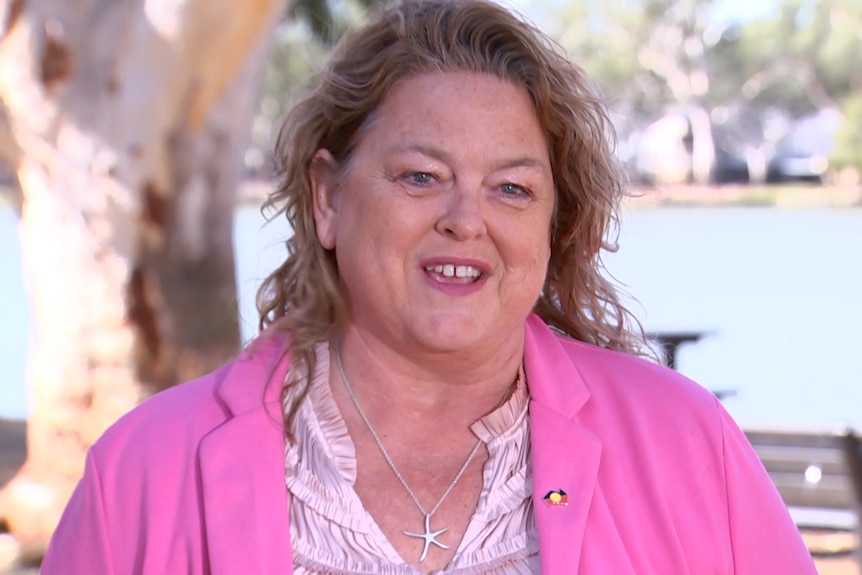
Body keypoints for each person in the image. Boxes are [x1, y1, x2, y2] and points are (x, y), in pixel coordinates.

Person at [42, 0, 818, 573]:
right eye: (421, 176)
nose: (465, 220)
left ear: (554, 224)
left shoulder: (688, 444)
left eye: (511, 189)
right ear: (329, 199)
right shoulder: (139, 474)